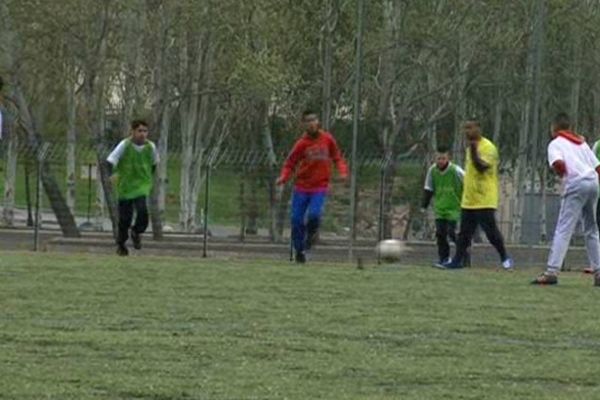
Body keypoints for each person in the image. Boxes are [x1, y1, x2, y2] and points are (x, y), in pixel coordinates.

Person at [434, 118, 513, 270]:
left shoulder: (488, 147)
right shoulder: (470, 148)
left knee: (491, 233)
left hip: (484, 199)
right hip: (469, 199)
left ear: (478, 129)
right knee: (464, 234)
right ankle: (457, 261)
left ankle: (504, 257)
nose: (467, 131)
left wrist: (474, 151)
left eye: (470, 128)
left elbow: (482, 168)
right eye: (465, 128)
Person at [532, 113, 600, 285]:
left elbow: (558, 164)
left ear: (554, 129)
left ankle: (552, 271)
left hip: (576, 183)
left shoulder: (556, 144)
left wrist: (565, 177)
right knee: (591, 228)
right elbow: (597, 166)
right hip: (593, 183)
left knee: (564, 228)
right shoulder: (582, 143)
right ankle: (599, 271)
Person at [276, 110, 348, 263]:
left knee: (314, 215)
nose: (311, 123)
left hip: (319, 187)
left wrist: (342, 172)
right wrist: (283, 177)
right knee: (296, 220)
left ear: (318, 122)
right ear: (304, 124)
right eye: (308, 121)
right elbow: (290, 163)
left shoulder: (327, 139)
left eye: (313, 120)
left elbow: (337, 157)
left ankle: (310, 236)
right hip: (301, 187)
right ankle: (299, 250)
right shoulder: (302, 144)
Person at [106, 119, 159, 256]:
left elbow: (154, 164)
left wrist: (147, 178)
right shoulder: (124, 145)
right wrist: (111, 175)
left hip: (142, 185)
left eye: (145, 131)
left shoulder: (151, 147)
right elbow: (111, 160)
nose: (142, 134)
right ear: (133, 131)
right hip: (125, 186)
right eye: (139, 131)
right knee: (125, 219)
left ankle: (137, 231)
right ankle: (121, 244)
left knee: (142, 211)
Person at [421, 146, 464, 264]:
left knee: (452, 233)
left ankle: (463, 254)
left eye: (443, 158)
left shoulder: (456, 171)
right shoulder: (432, 171)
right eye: (438, 158)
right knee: (440, 234)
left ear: (448, 158)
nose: (440, 161)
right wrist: (424, 206)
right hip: (440, 208)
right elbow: (428, 188)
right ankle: (444, 258)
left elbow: (468, 185)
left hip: (455, 208)